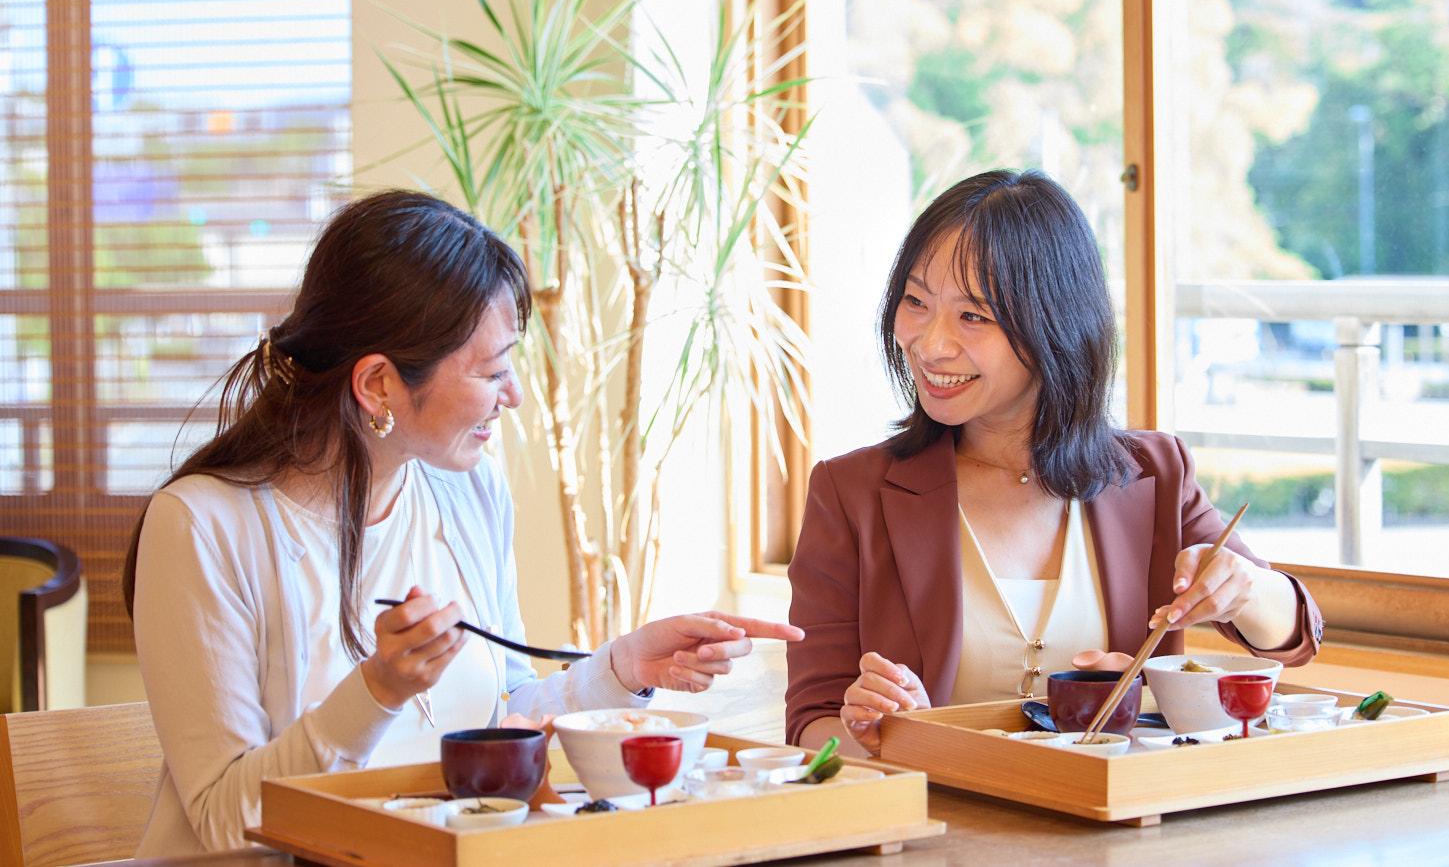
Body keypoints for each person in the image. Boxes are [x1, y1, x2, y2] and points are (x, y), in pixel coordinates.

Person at [124, 190, 802, 855]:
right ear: (379, 385)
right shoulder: (201, 526)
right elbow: (221, 819)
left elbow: (502, 711)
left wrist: (623, 666)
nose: (514, 395)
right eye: (493, 370)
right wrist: (377, 691)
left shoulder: (468, 488)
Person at [785, 170, 1321, 754]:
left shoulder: (1151, 473)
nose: (931, 343)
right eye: (916, 301)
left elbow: (1293, 636)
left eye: (974, 316)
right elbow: (813, 719)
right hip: (942, 826)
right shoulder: (851, 493)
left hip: (1117, 821)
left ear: (1055, 324)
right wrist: (884, 735)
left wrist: (1244, 590)